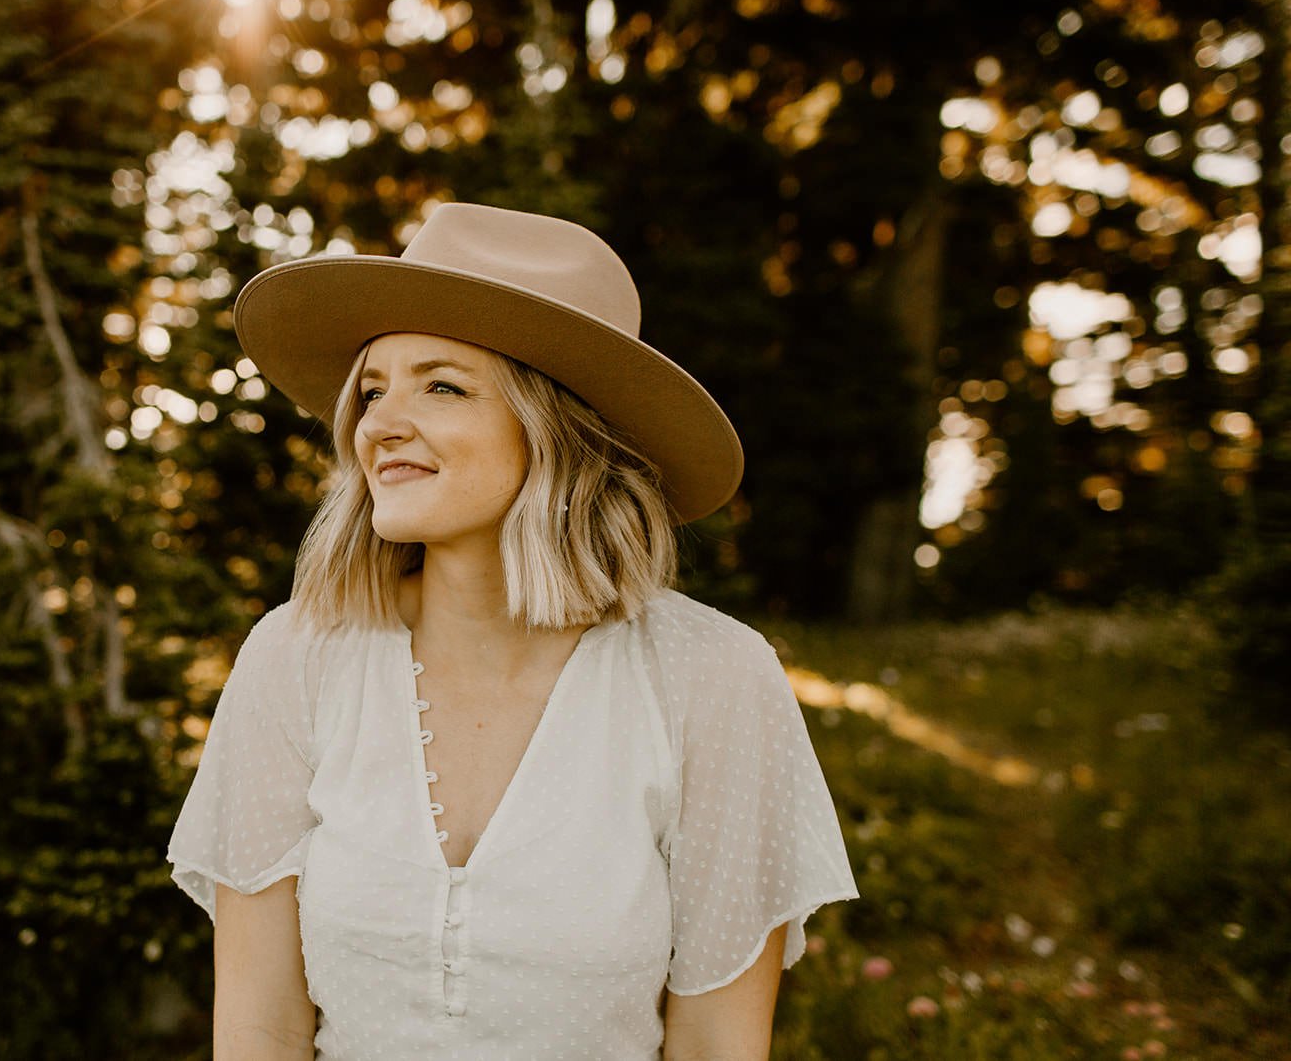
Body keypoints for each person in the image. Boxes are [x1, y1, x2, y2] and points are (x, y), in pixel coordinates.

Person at [167, 202, 857, 1060]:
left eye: (442, 384)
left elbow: (719, 1042)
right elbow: (261, 1029)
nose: (377, 422)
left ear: (557, 427)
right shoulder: (296, 656)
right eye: (373, 388)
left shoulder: (711, 676)